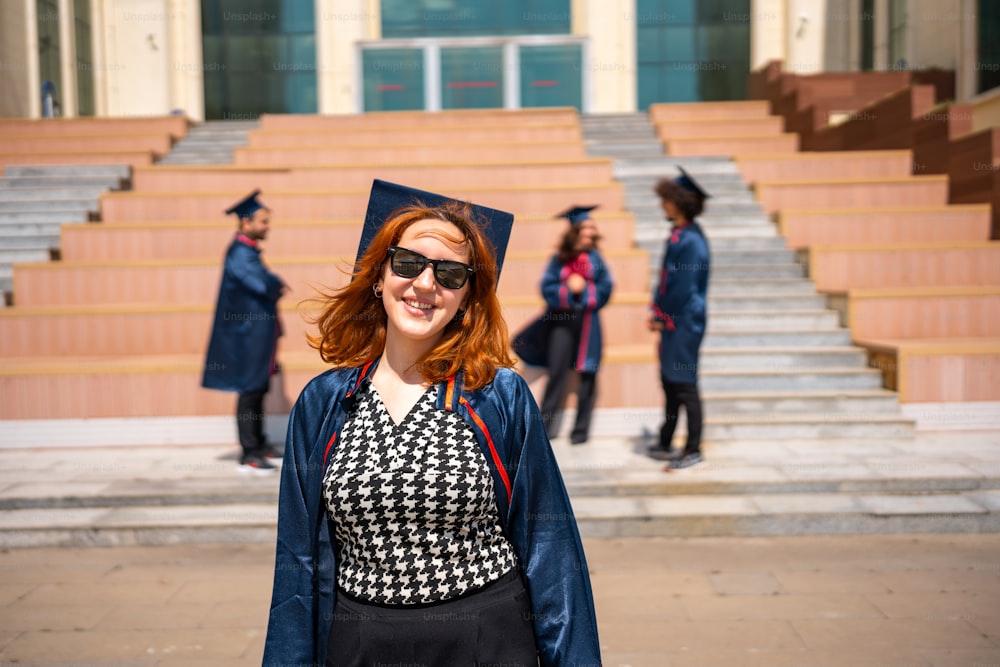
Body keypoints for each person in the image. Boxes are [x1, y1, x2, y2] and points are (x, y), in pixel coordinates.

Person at [262, 180, 602, 667]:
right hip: (361, 644)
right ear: (379, 276)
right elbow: (295, 562)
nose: (425, 284)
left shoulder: (498, 396)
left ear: (466, 296)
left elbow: (550, 550)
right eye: (407, 264)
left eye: (449, 274)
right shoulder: (325, 403)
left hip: (487, 641)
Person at [202, 189, 288, 474]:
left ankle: (260, 443)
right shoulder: (239, 253)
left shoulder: (248, 251)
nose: (267, 227)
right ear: (245, 223)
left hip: (257, 334)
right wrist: (276, 283)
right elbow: (263, 285)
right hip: (247, 336)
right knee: (250, 391)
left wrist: (273, 282)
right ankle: (249, 452)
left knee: (259, 388)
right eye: (262, 221)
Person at [516, 205, 613, 445]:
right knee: (557, 372)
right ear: (575, 231)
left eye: (592, 228)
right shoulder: (559, 259)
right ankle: (545, 430)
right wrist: (568, 290)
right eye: (586, 228)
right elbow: (546, 287)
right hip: (561, 322)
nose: (590, 232)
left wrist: (585, 290)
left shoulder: (596, 259)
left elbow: (605, 288)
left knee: (588, 375)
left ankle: (580, 433)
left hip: (589, 322)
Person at [647, 168, 711, 470]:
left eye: (667, 200)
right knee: (670, 384)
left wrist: (661, 316)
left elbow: (682, 289)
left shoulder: (691, 242)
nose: (663, 205)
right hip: (675, 322)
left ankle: (693, 448)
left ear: (680, 203)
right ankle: (665, 439)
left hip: (684, 323)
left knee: (685, 385)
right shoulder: (680, 236)